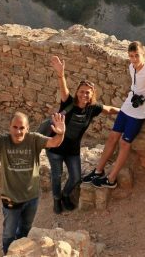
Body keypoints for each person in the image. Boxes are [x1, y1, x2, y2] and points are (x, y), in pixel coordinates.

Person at [82, 40, 145, 189]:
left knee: (124, 144)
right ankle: (98, 171)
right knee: (112, 137)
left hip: (139, 114)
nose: (134, 59)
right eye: (131, 56)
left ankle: (111, 179)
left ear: (143, 54)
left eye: (137, 55)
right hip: (127, 108)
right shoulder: (131, 67)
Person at [0, 110, 66, 254]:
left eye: (22, 128)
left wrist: (60, 133)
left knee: (25, 229)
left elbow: (54, 142)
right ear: (10, 127)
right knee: (9, 234)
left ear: (27, 128)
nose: (18, 131)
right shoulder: (2, 141)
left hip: (31, 197)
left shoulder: (34, 139)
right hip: (11, 199)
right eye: (15, 127)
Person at [46, 55, 119, 214]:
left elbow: (110, 110)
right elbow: (63, 88)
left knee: (76, 177)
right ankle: (57, 199)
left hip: (72, 149)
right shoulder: (68, 102)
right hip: (56, 146)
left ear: (92, 95)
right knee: (57, 176)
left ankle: (66, 195)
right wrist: (60, 74)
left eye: (88, 93)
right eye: (82, 92)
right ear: (77, 92)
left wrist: (127, 113)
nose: (84, 95)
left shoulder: (93, 108)